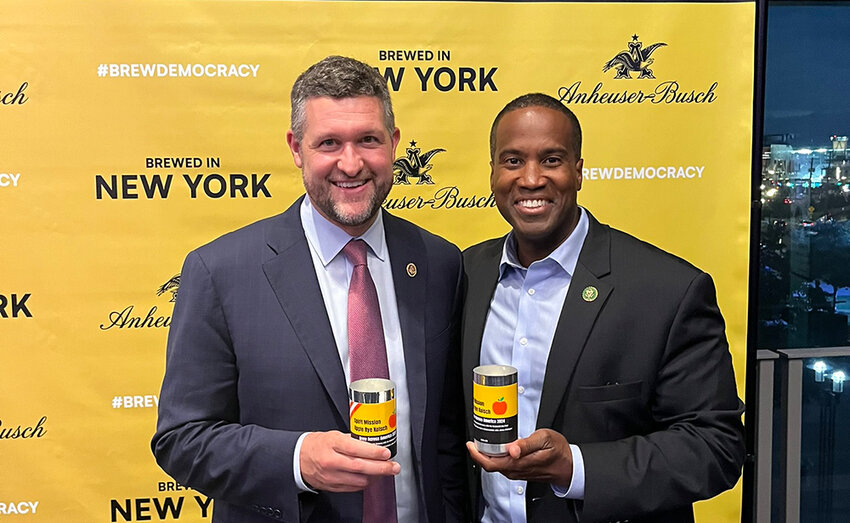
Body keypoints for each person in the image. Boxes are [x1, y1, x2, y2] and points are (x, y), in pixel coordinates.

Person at [152, 55, 467, 523]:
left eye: (368, 140)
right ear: (296, 148)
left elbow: (445, 433)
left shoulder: (440, 263)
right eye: (329, 143)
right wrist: (297, 459)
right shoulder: (220, 271)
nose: (351, 163)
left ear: (395, 144)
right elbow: (182, 439)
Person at [461, 93, 745, 522]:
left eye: (552, 160)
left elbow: (715, 446)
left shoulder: (669, 290)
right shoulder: (463, 274)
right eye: (513, 161)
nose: (531, 179)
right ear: (493, 174)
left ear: (578, 170)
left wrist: (575, 467)